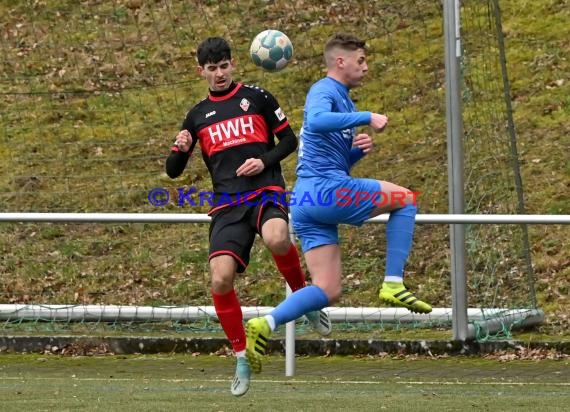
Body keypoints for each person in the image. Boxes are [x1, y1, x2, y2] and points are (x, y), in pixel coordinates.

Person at [245, 33, 432, 374]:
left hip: (307, 199)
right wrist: (366, 116)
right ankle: (393, 282)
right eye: (360, 60)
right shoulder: (324, 90)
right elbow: (314, 123)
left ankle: (266, 324)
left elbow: (328, 159)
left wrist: (354, 153)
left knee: (327, 289)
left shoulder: (340, 99)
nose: (366, 66)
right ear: (340, 61)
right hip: (327, 191)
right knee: (405, 199)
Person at [165, 37, 331, 397]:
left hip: (266, 191)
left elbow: (289, 142)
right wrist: (178, 149)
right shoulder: (196, 116)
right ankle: (241, 356)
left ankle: (304, 298)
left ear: (233, 65)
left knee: (276, 237)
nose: (219, 73)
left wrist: (265, 160)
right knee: (220, 279)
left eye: (224, 66)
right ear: (201, 71)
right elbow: (173, 171)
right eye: (212, 68)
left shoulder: (258, 97)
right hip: (227, 204)